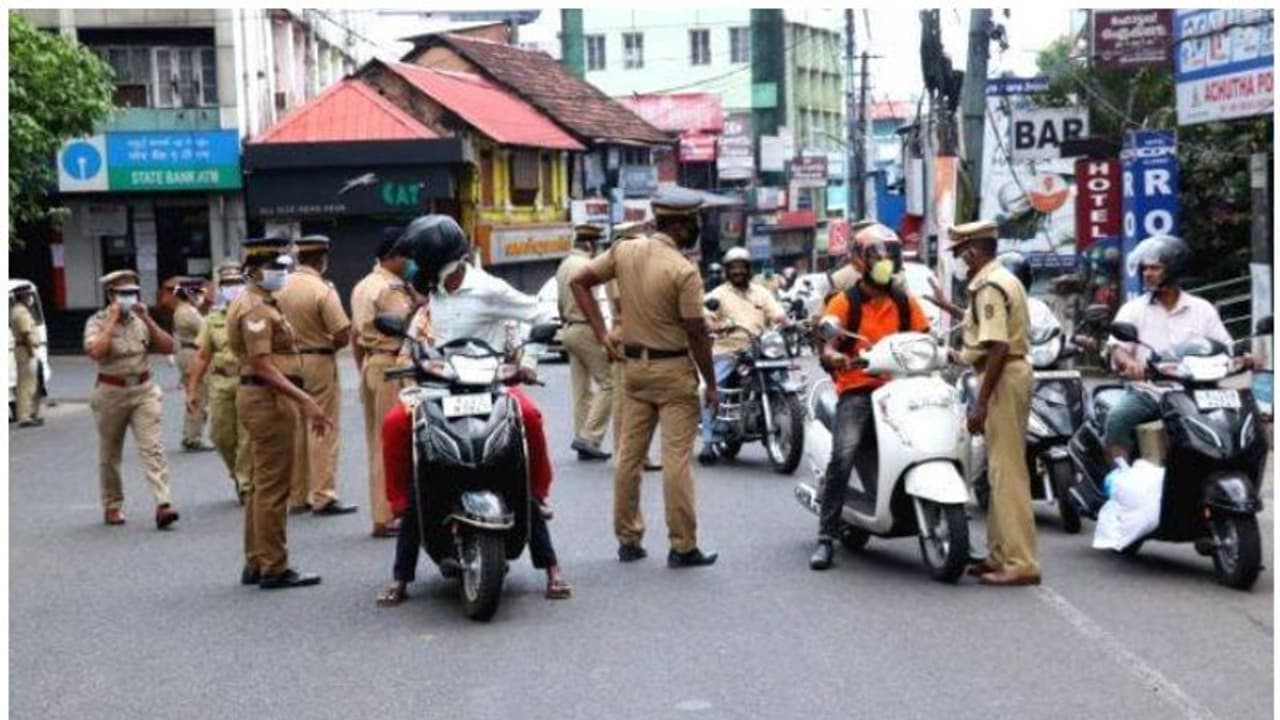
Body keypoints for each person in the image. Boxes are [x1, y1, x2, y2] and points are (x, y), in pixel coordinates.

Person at [375, 215, 571, 604]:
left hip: (490, 385)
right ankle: (400, 540)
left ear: (434, 257)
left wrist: (527, 360)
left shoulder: (488, 289)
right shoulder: (434, 292)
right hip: (439, 387)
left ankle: (544, 521)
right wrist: (414, 352)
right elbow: (418, 332)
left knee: (528, 420)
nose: (411, 264)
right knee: (396, 425)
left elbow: (539, 316)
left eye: (416, 257)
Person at [570, 187, 720, 568]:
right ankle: (683, 545)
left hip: (634, 370)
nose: (698, 228)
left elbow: (580, 282)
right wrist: (712, 384)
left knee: (628, 458)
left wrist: (604, 333)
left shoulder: (625, 249)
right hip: (673, 373)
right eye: (695, 223)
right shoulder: (684, 272)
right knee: (676, 461)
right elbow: (696, 334)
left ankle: (628, 539)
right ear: (683, 226)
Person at [809, 224, 930, 570]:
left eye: (889, 256)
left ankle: (956, 523)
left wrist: (941, 352)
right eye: (876, 256)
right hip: (860, 387)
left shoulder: (905, 301)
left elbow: (924, 336)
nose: (884, 262)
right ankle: (826, 537)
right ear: (859, 261)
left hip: (904, 388)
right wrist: (832, 354)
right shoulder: (846, 301)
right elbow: (827, 335)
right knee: (843, 456)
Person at [227, 236, 331, 589]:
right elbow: (262, 365)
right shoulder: (256, 308)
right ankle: (274, 566)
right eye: (273, 267)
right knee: (273, 487)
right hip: (268, 398)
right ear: (255, 271)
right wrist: (304, 399)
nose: (280, 273)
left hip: (262, 396)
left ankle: (256, 560)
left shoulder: (259, 301)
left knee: (260, 485)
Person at [947, 220, 1040, 586]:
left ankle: (1020, 562)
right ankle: (1000, 554)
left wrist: (980, 403)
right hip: (1006, 373)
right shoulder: (1003, 279)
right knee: (1000, 471)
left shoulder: (988, 285)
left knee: (1008, 473)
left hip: (1002, 375)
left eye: (959, 252)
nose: (958, 259)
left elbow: (998, 345)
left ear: (973, 250)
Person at [1104, 235, 1246, 466]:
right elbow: (1117, 348)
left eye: (1155, 268)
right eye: (1145, 269)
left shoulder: (1202, 309)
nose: (1147, 274)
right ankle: (1119, 474)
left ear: (1174, 270)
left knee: (1235, 423)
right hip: (1151, 392)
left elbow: (1226, 346)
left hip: (1197, 393)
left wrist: (1244, 357)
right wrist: (1130, 364)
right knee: (1118, 418)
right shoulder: (1133, 309)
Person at [83, 269, 180, 529]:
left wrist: (148, 320)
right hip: (111, 392)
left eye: (132, 293)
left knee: (153, 448)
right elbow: (96, 352)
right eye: (123, 294)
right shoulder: (96, 321)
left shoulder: (140, 320)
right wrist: (112, 320)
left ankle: (163, 503)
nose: (129, 298)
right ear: (110, 296)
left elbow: (169, 346)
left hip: (143, 390)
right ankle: (112, 504)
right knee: (110, 453)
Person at [276, 235, 358, 516]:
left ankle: (297, 495)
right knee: (322, 426)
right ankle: (323, 494)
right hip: (318, 359)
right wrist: (328, 345)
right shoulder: (322, 289)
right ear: (321, 259)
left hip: (288, 362)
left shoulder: (280, 288)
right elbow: (342, 333)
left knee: (298, 427)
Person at [351, 229, 417, 538]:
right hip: (391, 364)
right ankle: (388, 513)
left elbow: (354, 337)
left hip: (372, 364)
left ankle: (384, 511)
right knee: (391, 442)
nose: (410, 262)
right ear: (392, 256)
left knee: (376, 441)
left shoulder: (364, 285)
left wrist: (363, 369)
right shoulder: (390, 289)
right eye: (406, 255)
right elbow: (409, 327)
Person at [698, 246, 787, 465]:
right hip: (728, 350)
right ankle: (708, 443)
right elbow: (705, 314)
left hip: (760, 348)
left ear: (749, 269)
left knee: (785, 379)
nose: (738, 271)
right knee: (710, 389)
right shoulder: (718, 294)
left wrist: (786, 322)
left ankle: (787, 417)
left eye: (742, 267)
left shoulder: (761, 293)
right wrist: (713, 325)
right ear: (727, 271)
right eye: (733, 268)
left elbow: (778, 314)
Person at [186, 262, 253, 502]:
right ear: (219, 287)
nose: (232, 288)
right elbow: (202, 356)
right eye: (227, 284)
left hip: (249, 382)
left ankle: (246, 484)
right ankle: (238, 474)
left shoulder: (253, 313)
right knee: (221, 436)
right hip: (221, 383)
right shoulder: (212, 320)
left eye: (236, 283)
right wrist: (192, 390)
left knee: (247, 437)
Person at [608, 222, 662, 473]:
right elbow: (622, 303)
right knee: (624, 402)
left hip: (641, 335)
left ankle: (639, 454)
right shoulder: (619, 265)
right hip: (627, 334)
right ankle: (625, 454)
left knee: (644, 401)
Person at [556, 224, 614, 461]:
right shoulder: (585, 267)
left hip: (568, 328)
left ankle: (583, 436)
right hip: (585, 327)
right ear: (591, 245)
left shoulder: (564, 265)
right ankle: (589, 437)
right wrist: (603, 334)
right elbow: (591, 304)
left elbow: (560, 304)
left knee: (581, 390)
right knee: (611, 381)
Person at [173, 277, 212, 451]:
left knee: (196, 393)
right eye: (197, 293)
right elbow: (206, 330)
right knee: (198, 394)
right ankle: (192, 437)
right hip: (191, 353)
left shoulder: (185, 310)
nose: (200, 297)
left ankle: (191, 435)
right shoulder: (187, 312)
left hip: (188, 352)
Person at [10, 287, 44, 427]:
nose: (30, 298)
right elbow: (25, 333)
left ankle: (29, 414)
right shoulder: (20, 311)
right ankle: (25, 416)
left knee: (30, 383)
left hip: (24, 349)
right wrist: (31, 351)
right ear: (22, 296)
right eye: (27, 295)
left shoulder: (18, 310)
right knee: (26, 385)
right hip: (25, 350)